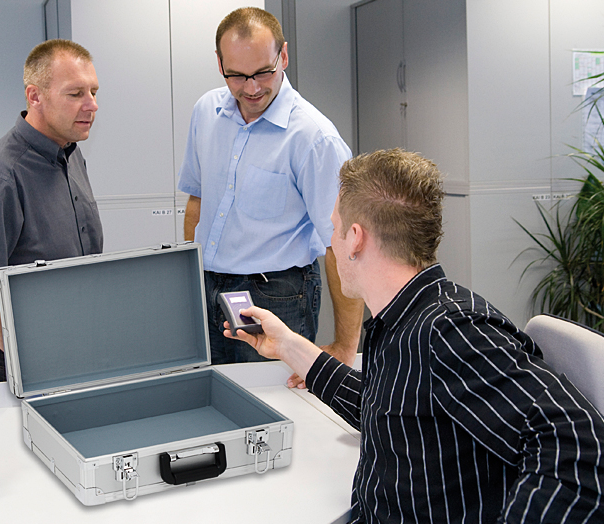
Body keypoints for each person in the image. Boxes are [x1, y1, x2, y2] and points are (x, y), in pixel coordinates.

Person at [226, 149, 604, 522]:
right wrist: (288, 345)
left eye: (334, 229)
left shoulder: (451, 330)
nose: (332, 244)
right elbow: (385, 408)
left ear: (355, 238)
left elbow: (580, 445)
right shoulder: (402, 320)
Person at [178, 7, 363, 377]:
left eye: (264, 72)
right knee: (211, 392)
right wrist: (189, 279)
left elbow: (342, 244)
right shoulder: (206, 112)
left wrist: (346, 345)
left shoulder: (313, 138)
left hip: (277, 294)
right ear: (219, 63)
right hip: (209, 287)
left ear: (284, 56)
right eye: (237, 75)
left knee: (273, 400)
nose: (252, 88)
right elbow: (197, 200)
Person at [0, 39, 103, 382]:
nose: (92, 104)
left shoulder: (72, 155)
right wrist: (27, 354)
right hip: (34, 357)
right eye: (75, 93)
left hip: (80, 342)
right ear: (35, 96)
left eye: (93, 91)